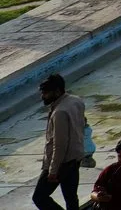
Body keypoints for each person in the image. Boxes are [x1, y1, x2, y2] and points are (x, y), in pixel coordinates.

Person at [33, 72, 85, 210]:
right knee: (71, 197)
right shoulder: (76, 101)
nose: (42, 96)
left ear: (57, 91)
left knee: (39, 197)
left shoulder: (59, 112)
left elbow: (59, 144)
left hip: (61, 162)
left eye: (46, 93)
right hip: (75, 158)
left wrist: (53, 170)